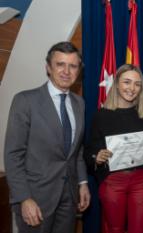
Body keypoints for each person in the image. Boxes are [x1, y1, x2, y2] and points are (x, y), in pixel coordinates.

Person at [4, 41, 90, 233]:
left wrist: (82, 183)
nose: (66, 71)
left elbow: (77, 150)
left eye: (73, 66)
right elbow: (13, 155)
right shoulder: (25, 100)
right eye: (60, 64)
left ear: (78, 71)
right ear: (48, 68)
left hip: (69, 198)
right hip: (35, 199)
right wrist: (24, 198)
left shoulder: (79, 103)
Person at [84, 64, 143, 233]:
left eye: (137, 84)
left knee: (138, 229)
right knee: (115, 229)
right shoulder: (101, 115)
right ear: (117, 83)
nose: (132, 88)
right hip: (112, 181)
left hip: (141, 180)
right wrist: (96, 157)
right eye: (127, 82)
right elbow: (89, 150)